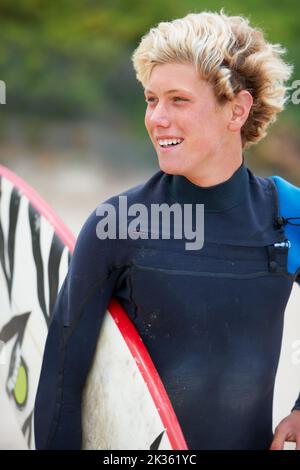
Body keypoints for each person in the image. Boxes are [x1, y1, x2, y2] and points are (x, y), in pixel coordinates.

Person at [34, 10, 300, 450]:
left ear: (237, 110)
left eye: (178, 100)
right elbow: (61, 379)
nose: (157, 117)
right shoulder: (118, 226)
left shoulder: (287, 214)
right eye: (150, 99)